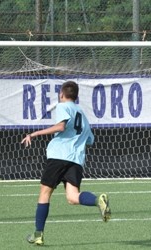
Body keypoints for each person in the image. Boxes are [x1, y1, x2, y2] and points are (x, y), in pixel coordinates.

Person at [21, 81, 110, 246]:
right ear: (76, 96)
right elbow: (90, 139)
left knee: (45, 193)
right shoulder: (82, 114)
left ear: (62, 94)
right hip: (76, 160)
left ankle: (38, 234)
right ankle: (98, 200)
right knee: (72, 197)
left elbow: (61, 127)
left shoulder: (63, 106)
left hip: (59, 156)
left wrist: (34, 134)